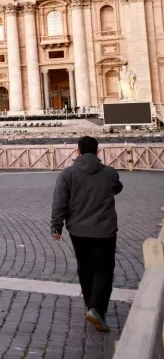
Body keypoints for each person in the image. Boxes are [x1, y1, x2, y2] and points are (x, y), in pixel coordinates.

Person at [51, 136, 123, 332]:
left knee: (85, 267)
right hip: (105, 230)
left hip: (78, 230)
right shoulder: (110, 173)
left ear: (78, 152)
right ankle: (96, 308)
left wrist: (56, 227)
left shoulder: (67, 174)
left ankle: (90, 305)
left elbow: (60, 202)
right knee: (104, 269)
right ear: (98, 151)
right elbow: (117, 188)